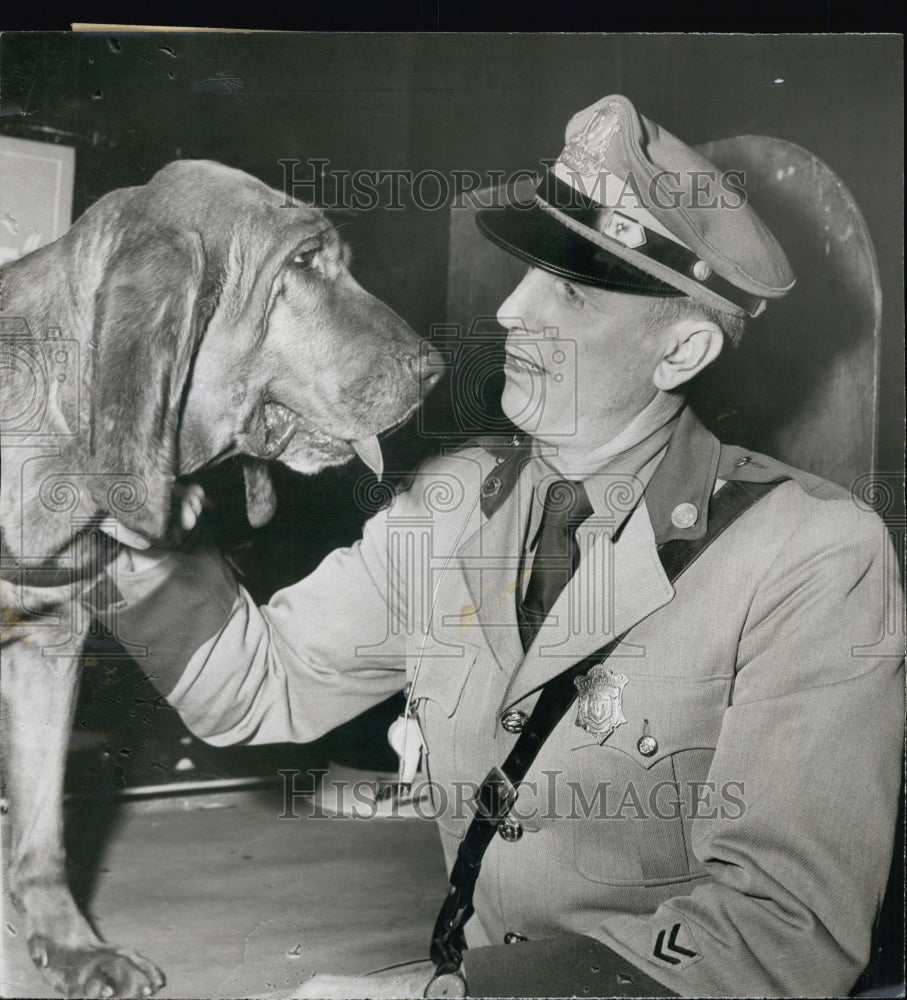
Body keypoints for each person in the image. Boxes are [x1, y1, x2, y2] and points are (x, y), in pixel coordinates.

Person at [101, 95, 904, 998]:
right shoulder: (451, 505)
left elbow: (779, 934)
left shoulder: (811, 555)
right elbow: (255, 687)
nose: (513, 308)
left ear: (680, 351)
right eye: (528, 272)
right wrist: (109, 516)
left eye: (569, 291)